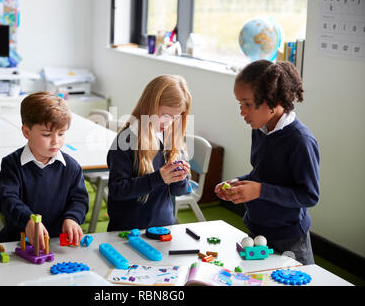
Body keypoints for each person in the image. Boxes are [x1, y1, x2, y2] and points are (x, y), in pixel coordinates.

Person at [214, 60, 320, 265]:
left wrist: (260, 190)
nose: (242, 112)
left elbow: (309, 196)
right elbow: (261, 175)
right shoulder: (260, 130)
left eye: (248, 104)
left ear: (273, 100)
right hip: (258, 229)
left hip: (289, 239)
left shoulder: (300, 141)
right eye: (240, 104)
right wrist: (238, 183)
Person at [0, 91, 89, 248]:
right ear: (26, 132)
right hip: (18, 242)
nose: (55, 141)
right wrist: (28, 220)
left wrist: (72, 218)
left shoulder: (71, 167)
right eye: (46, 134)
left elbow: (79, 200)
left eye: (61, 134)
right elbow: (7, 200)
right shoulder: (11, 164)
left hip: (57, 243)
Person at [107, 74, 192, 231]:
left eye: (175, 118)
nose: (168, 123)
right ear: (149, 106)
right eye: (165, 115)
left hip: (164, 227)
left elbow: (178, 191)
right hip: (127, 231)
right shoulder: (125, 140)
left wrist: (180, 178)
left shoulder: (171, 139)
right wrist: (158, 178)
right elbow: (117, 190)